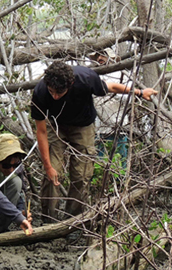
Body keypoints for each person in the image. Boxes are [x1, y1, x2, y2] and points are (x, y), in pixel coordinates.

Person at [31, 61, 158, 222]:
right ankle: (48, 221)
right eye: (52, 92)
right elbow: (41, 132)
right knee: (53, 173)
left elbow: (111, 87)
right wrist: (48, 166)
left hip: (83, 125)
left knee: (81, 175)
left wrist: (140, 92)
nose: (55, 96)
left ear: (70, 84)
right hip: (54, 125)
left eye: (59, 92)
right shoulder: (41, 92)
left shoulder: (86, 78)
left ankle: (73, 221)